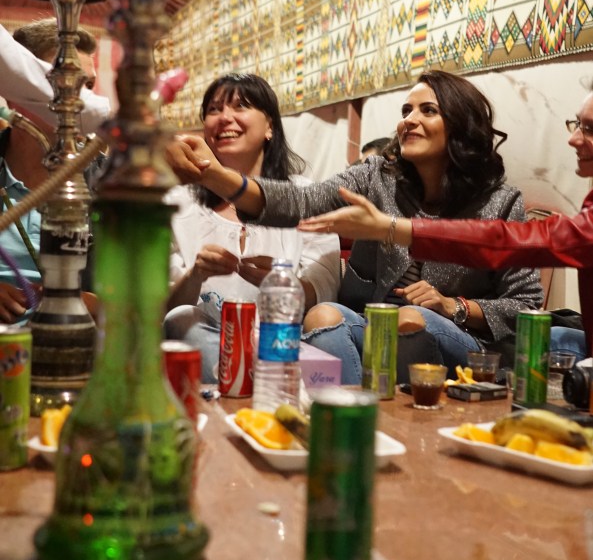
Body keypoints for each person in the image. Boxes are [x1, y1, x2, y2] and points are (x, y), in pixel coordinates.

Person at [165, 70, 543, 383]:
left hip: (461, 340)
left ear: (461, 125)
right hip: (371, 326)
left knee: (409, 318)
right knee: (324, 314)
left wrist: (453, 306)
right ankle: (345, 418)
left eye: (427, 110)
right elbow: (303, 202)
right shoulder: (377, 176)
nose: (408, 120)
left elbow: (524, 305)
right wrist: (213, 173)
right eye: (406, 110)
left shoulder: (500, 203)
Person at [164, 72, 341, 383]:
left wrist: (283, 284)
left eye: (241, 106)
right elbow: (163, 309)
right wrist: (196, 275)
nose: (224, 118)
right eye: (214, 109)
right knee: (183, 318)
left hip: (284, 342)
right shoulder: (177, 203)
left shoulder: (303, 197)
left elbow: (325, 285)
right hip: (207, 342)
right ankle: (242, 386)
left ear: (270, 126)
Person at [0, 20, 100, 322]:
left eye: (88, 87)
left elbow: (138, 304)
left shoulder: (110, 184)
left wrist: (92, 304)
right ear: (15, 91)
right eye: (64, 83)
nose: (83, 103)